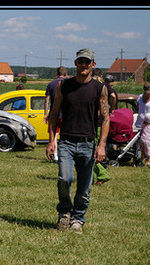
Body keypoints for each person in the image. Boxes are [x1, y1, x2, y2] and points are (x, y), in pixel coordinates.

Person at [46, 48, 110, 234]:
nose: (84, 65)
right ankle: (64, 213)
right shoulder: (63, 86)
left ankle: (78, 219)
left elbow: (105, 118)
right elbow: (54, 113)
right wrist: (52, 141)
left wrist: (102, 145)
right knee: (65, 179)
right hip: (66, 141)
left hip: (88, 143)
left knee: (84, 186)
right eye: (80, 61)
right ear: (75, 63)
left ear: (93, 65)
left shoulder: (100, 88)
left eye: (87, 62)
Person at [44, 66, 68, 162]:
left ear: (57, 73)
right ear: (65, 74)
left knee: (54, 135)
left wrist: (45, 114)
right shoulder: (68, 84)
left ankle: (55, 154)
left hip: (55, 113)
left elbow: (47, 101)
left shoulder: (50, 84)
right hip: (66, 113)